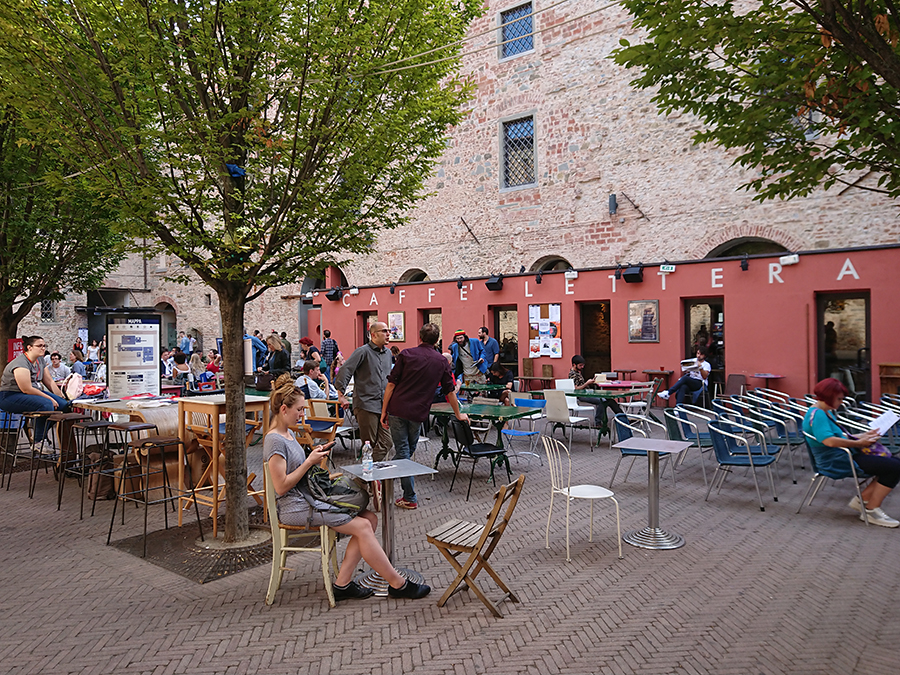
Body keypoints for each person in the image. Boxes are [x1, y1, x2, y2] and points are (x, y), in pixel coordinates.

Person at [264, 374, 430, 601]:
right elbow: (281, 486)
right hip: (296, 507)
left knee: (370, 519)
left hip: (309, 498)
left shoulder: (289, 433)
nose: (303, 414)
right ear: (284, 409)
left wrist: (316, 460)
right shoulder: (275, 440)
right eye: (300, 410)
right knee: (362, 526)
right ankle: (398, 584)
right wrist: (309, 462)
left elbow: (301, 473)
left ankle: (342, 584)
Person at [380, 324, 469, 509]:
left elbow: (391, 385)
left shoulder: (406, 354)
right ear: (437, 340)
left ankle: (380, 478)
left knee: (405, 452)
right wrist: (458, 413)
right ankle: (409, 496)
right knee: (406, 451)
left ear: (420, 337)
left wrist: (384, 410)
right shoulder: (441, 361)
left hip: (397, 408)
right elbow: (450, 391)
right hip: (418, 412)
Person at [804, 377, 900, 527]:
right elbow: (829, 441)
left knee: (894, 463)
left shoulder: (824, 411)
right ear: (829, 397)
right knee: (894, 467)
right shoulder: (819, 415)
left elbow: (839, 437)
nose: (841, 402)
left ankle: (862, 500)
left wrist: (865, 435)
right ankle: (870, 509)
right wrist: (859, 442)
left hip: (844, 455)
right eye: (839, 398)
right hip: (837, 461)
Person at [335, 322, 393, 461]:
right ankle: (367, 477)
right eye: (384, 331)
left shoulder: (388, 353)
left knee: (387, 442)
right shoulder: (363, 351)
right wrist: (341, 395)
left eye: (388, 330)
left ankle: (364, 476)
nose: (388, 333)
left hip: (383, 405)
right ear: (373, 335)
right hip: (366, 405)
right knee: (369, 444)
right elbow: (346, 370)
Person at [0, 336, 71, 442]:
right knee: (46, 404)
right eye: (39, 346)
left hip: (30, 393)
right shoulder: (20, 363)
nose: (43, 348)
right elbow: (26, 389)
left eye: (44, 346)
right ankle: (39, 441)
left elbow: (49, 382)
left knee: (64, 405)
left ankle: (41, 434)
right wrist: (51, 399)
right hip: (10, 395)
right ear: (29, 347)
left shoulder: (40, 360)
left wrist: (62, 397)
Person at [569, 355, 622, 426]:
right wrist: (587, 383)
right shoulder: (572, 374)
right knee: (602, 401)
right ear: (574, 365)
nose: (582, 367)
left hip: (587, 392)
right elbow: (576, 389)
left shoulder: (578, 373)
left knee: (610, 399)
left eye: (583, 365)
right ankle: (598, 422)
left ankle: (622, 418)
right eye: (580, 365)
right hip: (581, 395)